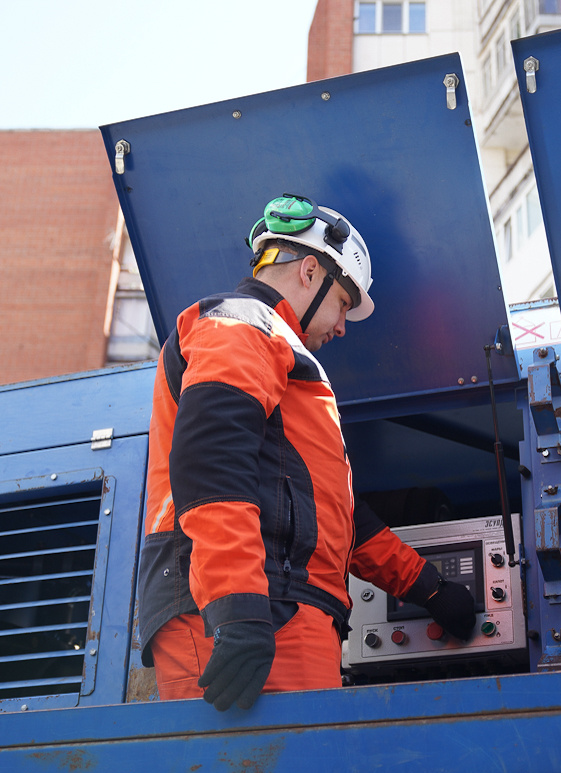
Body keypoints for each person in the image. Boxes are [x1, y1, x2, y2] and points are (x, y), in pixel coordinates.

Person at [137, 194, 477, 711]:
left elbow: (335, 516)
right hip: (248, 609)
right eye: (344, 303)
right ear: (311, 270)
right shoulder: (239, 325)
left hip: (286, 609)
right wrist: (237, 607)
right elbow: (211, 464)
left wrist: (427, 587)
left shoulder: (272, 346)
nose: (342, 326)